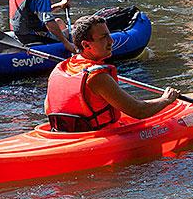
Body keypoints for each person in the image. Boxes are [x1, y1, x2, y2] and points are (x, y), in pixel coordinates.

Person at [44, 15, 180, 132]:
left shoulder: (59, 69)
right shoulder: (97, 76)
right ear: (86, 45)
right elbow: (138, 111)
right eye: (104, 37)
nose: (111, 40)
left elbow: (47, 109)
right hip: (97, 136)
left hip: (63, 133)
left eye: (109, 35)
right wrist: (166, 99)